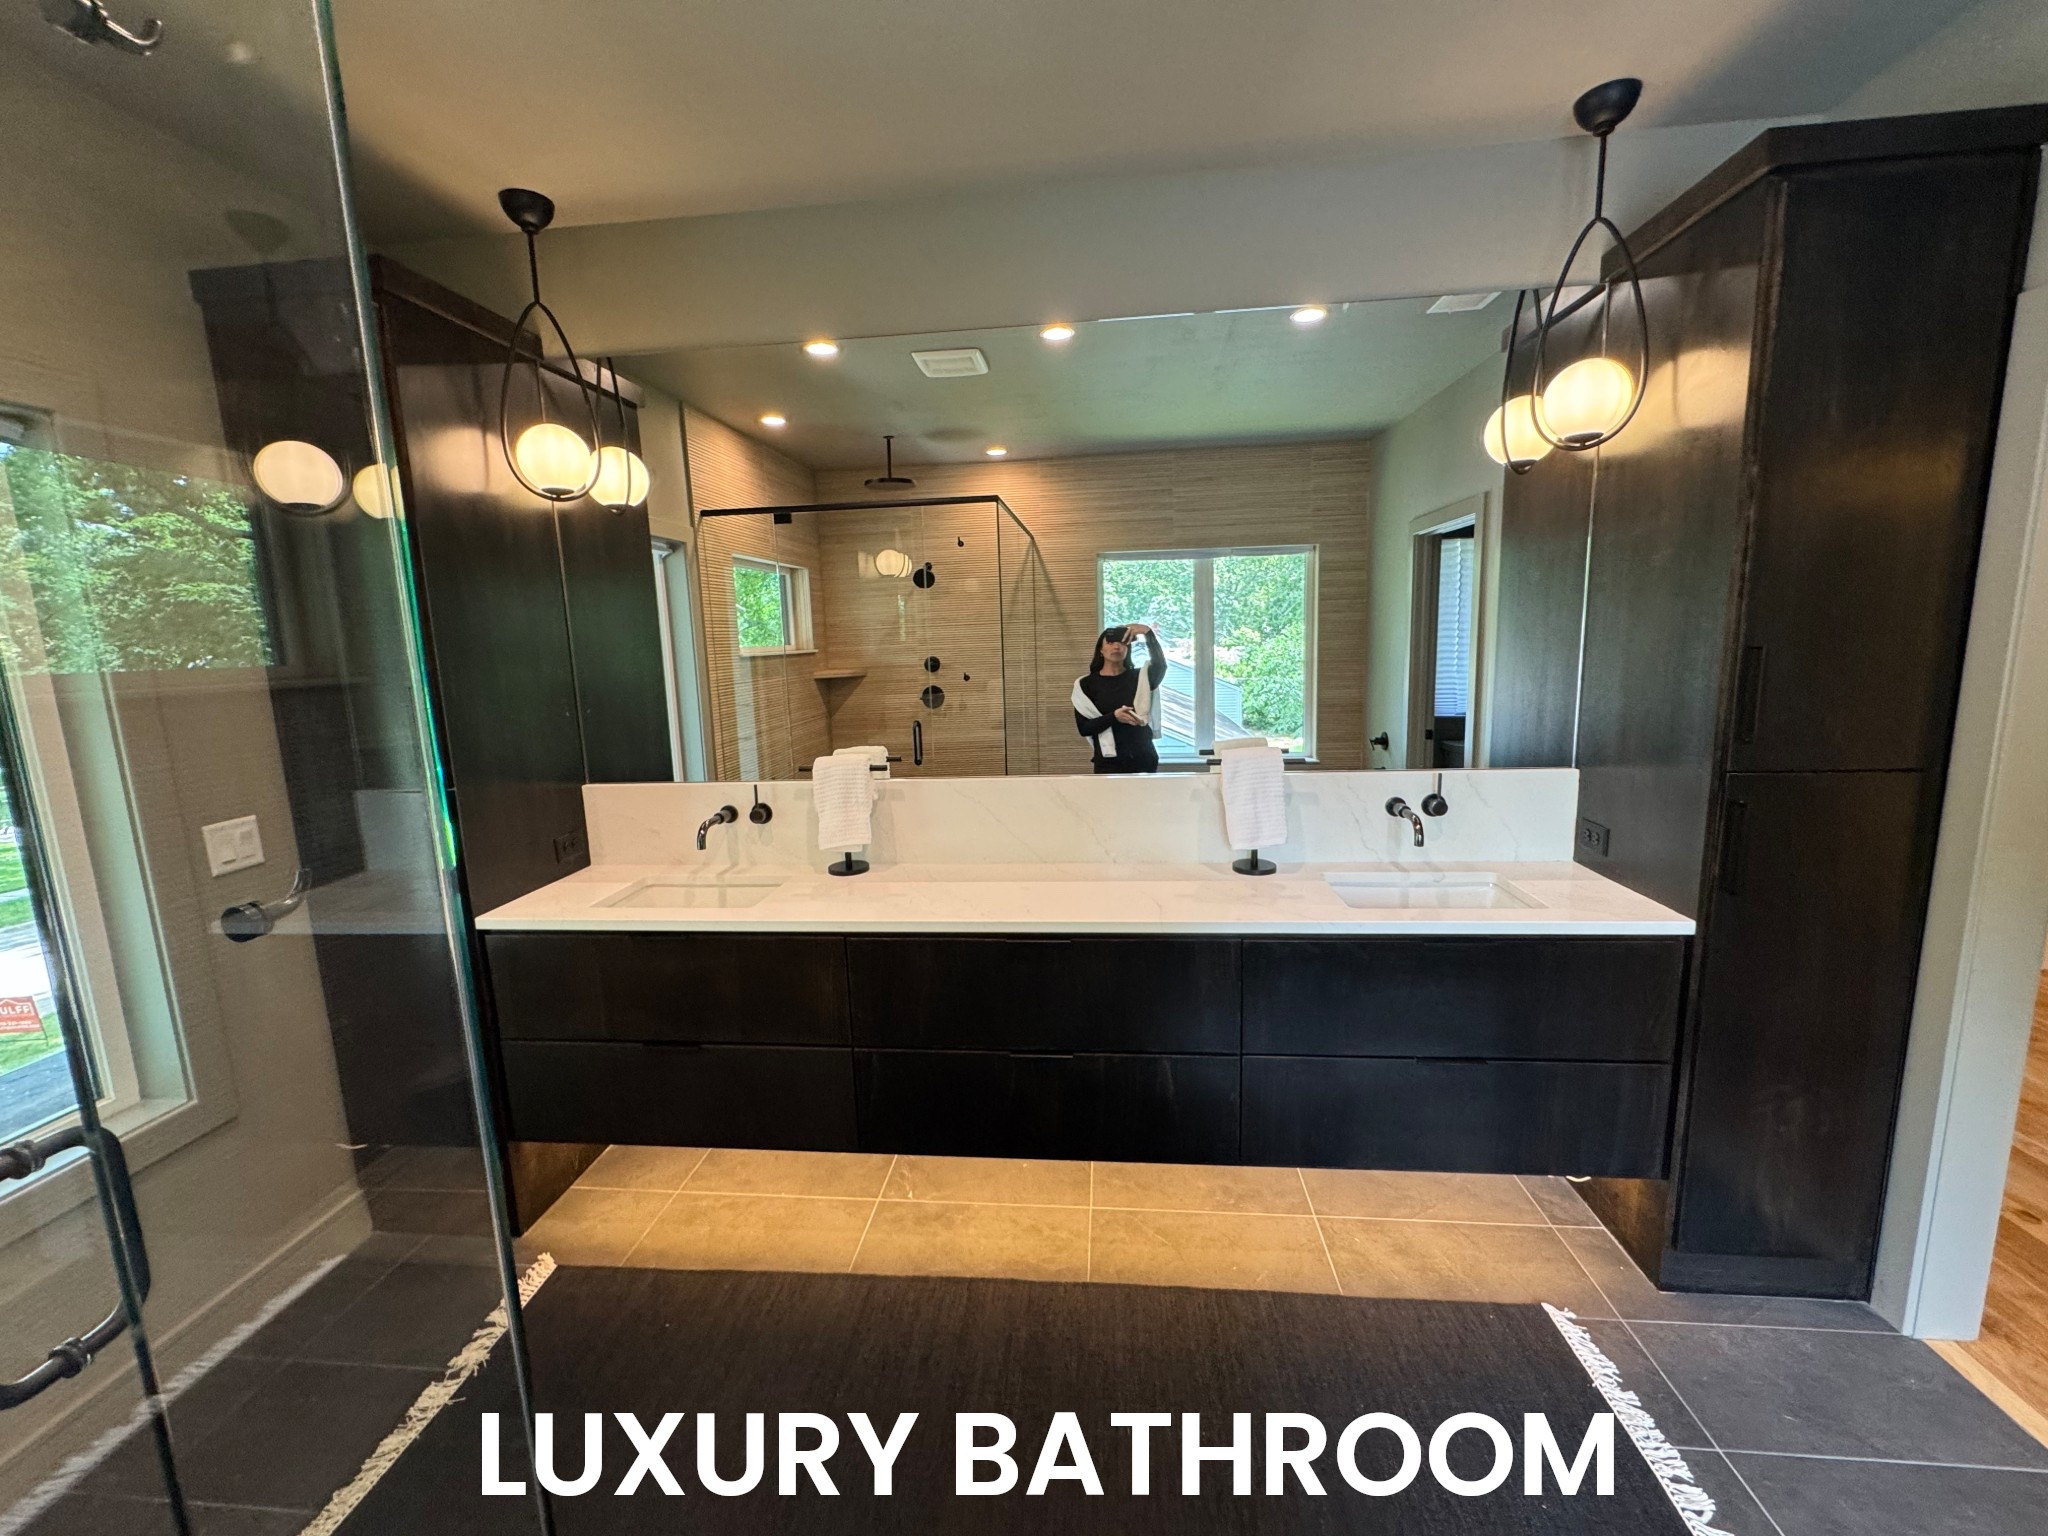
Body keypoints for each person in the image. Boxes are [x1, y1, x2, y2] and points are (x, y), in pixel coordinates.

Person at [1073, 622, 1168, 773]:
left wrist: (1148, 633)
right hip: (1107, 762)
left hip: (1143, 758)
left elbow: (1160, 665)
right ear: (1101, 650)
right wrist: (1114, 717)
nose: (1116, 647)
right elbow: (1084, 728)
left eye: (1122, 643)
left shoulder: (1141, 677)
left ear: (1128, 650)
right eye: (1110, 642)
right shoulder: (1085, 684)